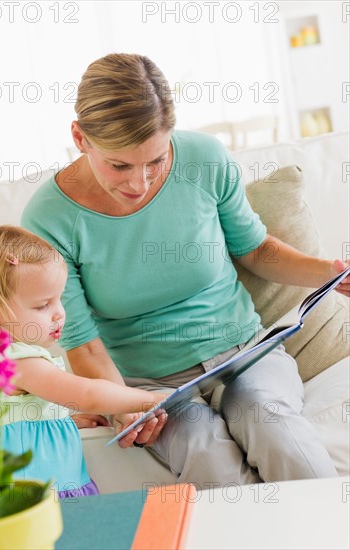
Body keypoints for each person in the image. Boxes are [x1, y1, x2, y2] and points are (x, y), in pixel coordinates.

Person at [21, 53, 349, 487]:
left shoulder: (204, 158)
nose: (140, 184)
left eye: (155, 160)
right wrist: (123, 405)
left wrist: (332, 271)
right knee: (206, 453)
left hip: (243, 354)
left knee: (271, 422)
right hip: (148, 387)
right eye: (119, 165)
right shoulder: (49, 220)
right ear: (80, 138)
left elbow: (255, 249)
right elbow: (84, 347)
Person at [0, 225, 168, 498]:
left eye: (59, 299)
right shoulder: (16, 359)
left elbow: (0, 420)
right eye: (42, 305)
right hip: (38, 497)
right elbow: (87, 393)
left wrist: (58, 419)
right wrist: (150, 399)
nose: (59, 314)